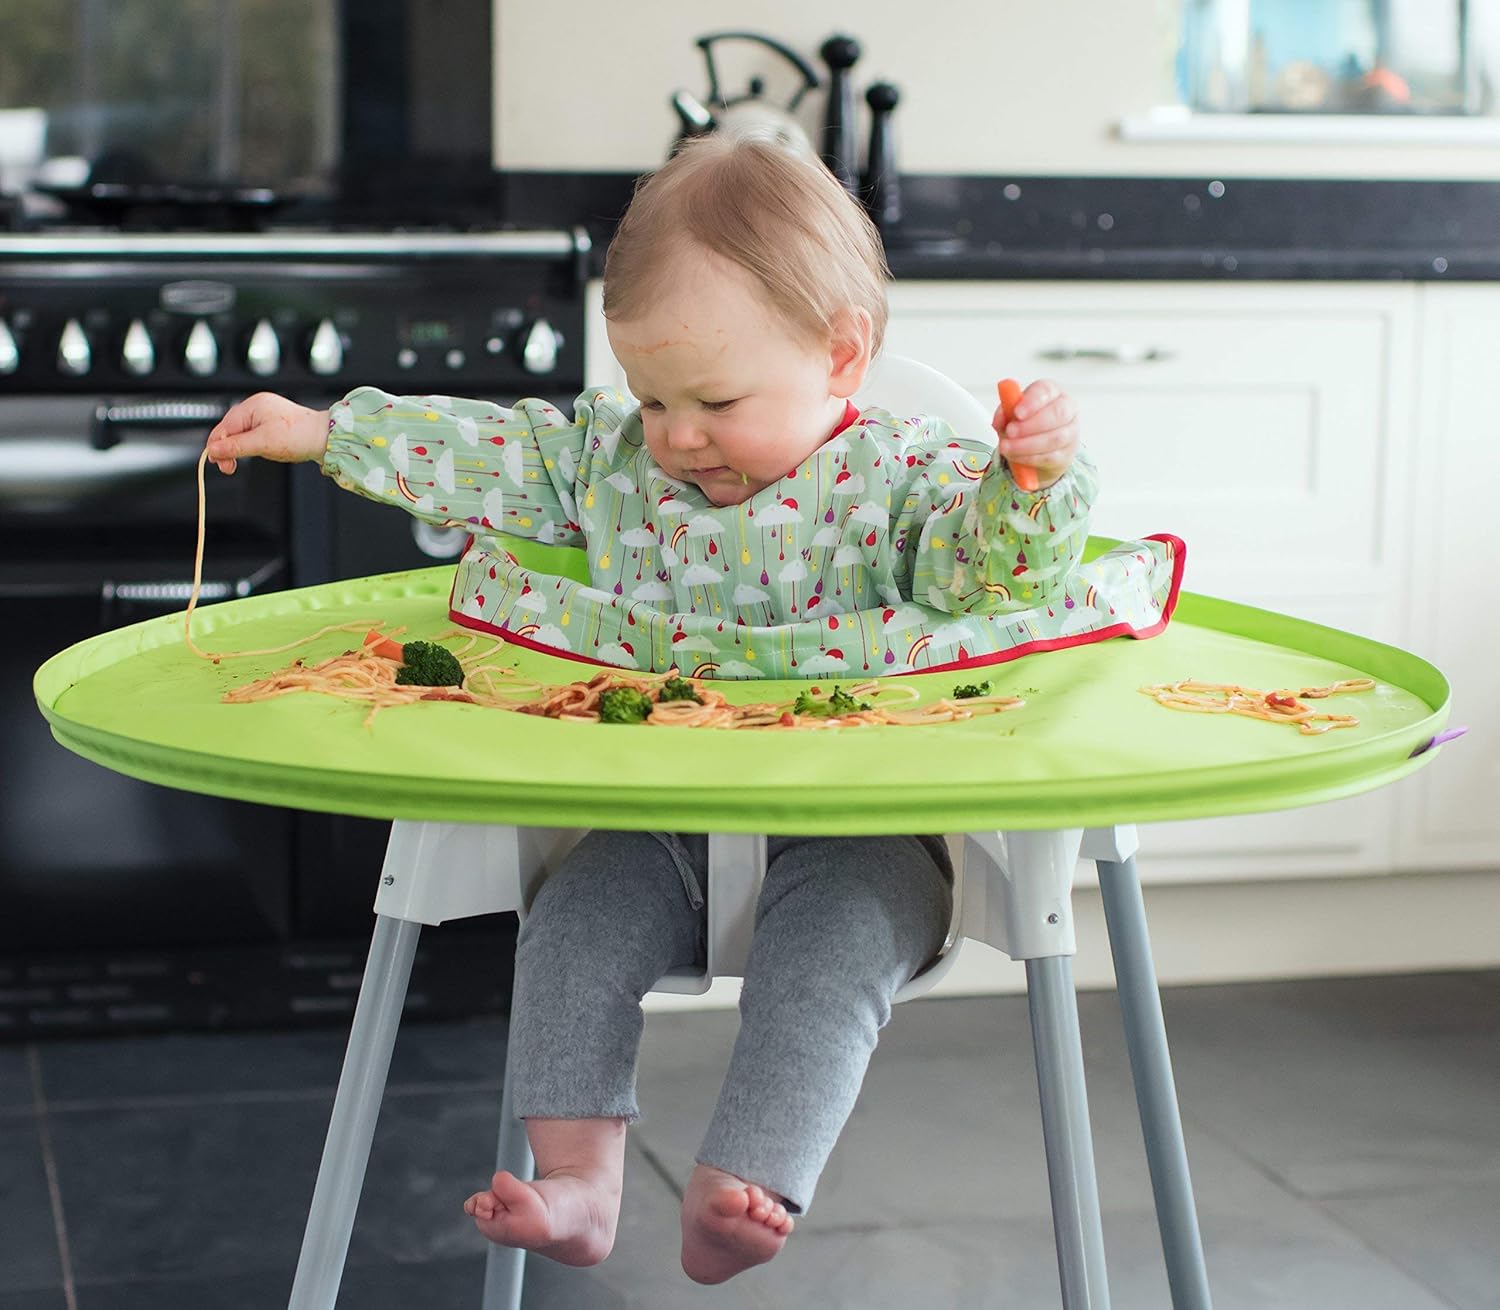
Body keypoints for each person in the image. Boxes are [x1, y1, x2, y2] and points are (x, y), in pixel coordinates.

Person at [205, 133, 1169, 1284]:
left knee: (834, 952)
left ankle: (750, 1174)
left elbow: (992, 578)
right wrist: (327, 431)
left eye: (713, 398)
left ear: (841, 355)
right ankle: (579, 1178)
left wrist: (1029, 483)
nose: (678, 437)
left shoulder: (914, 479)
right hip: (651, 820)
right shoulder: (617, 466)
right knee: (566, 928)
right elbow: (490, 453)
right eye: (650, 397)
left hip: (863, 823)